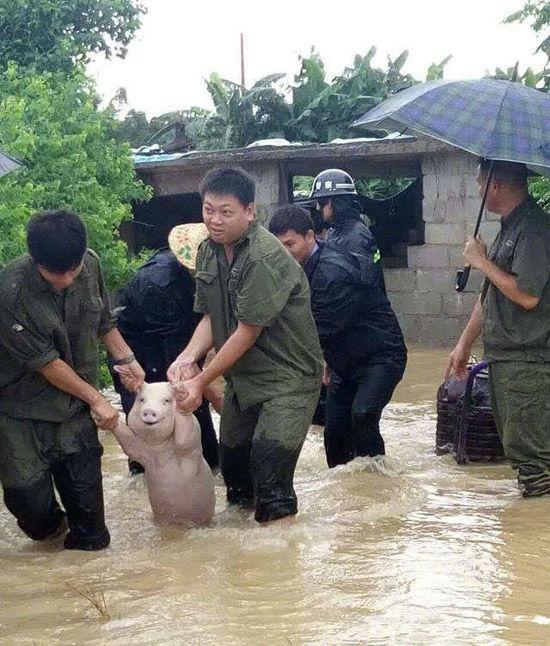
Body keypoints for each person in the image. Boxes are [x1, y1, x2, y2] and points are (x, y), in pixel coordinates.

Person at [168, 167, 323, 524]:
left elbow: (247, 330)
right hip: (245, 379)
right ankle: (240, 563)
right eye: (208, 210)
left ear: (250, 211)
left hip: (289, 381)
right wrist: (187, 357)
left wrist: (200, 381)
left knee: (271, 479)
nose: (215, 220)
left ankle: (277, 566)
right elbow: (210, 316)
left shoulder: (264, 257)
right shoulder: (208, 250)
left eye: (226, 212)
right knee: (235, 474)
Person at [0, 210, 144, 550]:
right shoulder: (10, 292)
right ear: (35, 260)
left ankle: (85, 589)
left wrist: (126, 359)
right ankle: (52, 539)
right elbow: (47, 364)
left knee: (92, 533)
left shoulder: (90, 264)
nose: (65, 278)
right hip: (21, 411)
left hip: (74, 407)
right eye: (53, 273)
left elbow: (103, 321)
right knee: (31, 508)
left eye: (72, 269)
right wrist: (97, 399)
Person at [269, 204, 407, 467]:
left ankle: (378, 482)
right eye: (279, 247)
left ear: (310, 237)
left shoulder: (330, 274)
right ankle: (347, 495)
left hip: (381, 356)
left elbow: (316, 331)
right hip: (344, 362)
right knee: (333, 433)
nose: (284, 253)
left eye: (290, 244)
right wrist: (328, 360)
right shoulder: (300, 266)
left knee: (363, 415)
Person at [445, 159, 550, 497]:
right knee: (522, 455)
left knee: (534, 464)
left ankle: (534, 542)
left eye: (479, 184)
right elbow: (490, 295)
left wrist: (482, 262)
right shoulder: (510, 227)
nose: (478, 191)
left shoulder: (533, 229)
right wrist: (463, 344)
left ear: (495, 185)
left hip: (529, 362)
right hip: (509, 360)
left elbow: (527, 295)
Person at [112, 243, 219, 474]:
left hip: (174, 345)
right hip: (140, 359)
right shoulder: (160, 284)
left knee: (202, 444)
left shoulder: (194, 278)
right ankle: (142, 491)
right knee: (151, 438)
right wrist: (220, 402)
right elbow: (181, 366)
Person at [309, 168, 386, 292]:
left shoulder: (356, 235)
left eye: (319, 202)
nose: (317, 208)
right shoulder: (338, 231)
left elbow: (364, 284)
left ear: (329, 203)